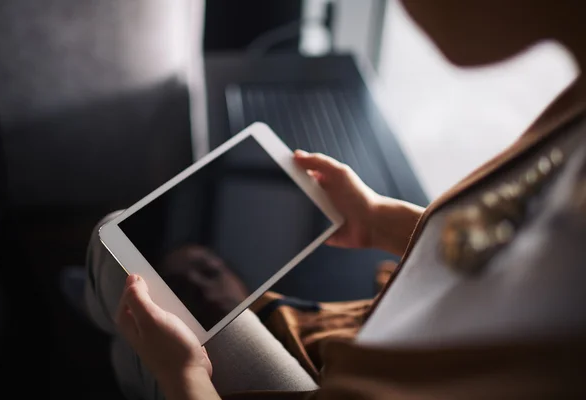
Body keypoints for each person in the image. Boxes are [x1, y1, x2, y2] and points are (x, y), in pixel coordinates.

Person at [84, 1, 586, 398]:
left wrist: (184, 376)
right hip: (373, 333)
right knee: (147, 300)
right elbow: (507, 249)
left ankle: (103, 321)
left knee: (115, 256)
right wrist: (381, 221)